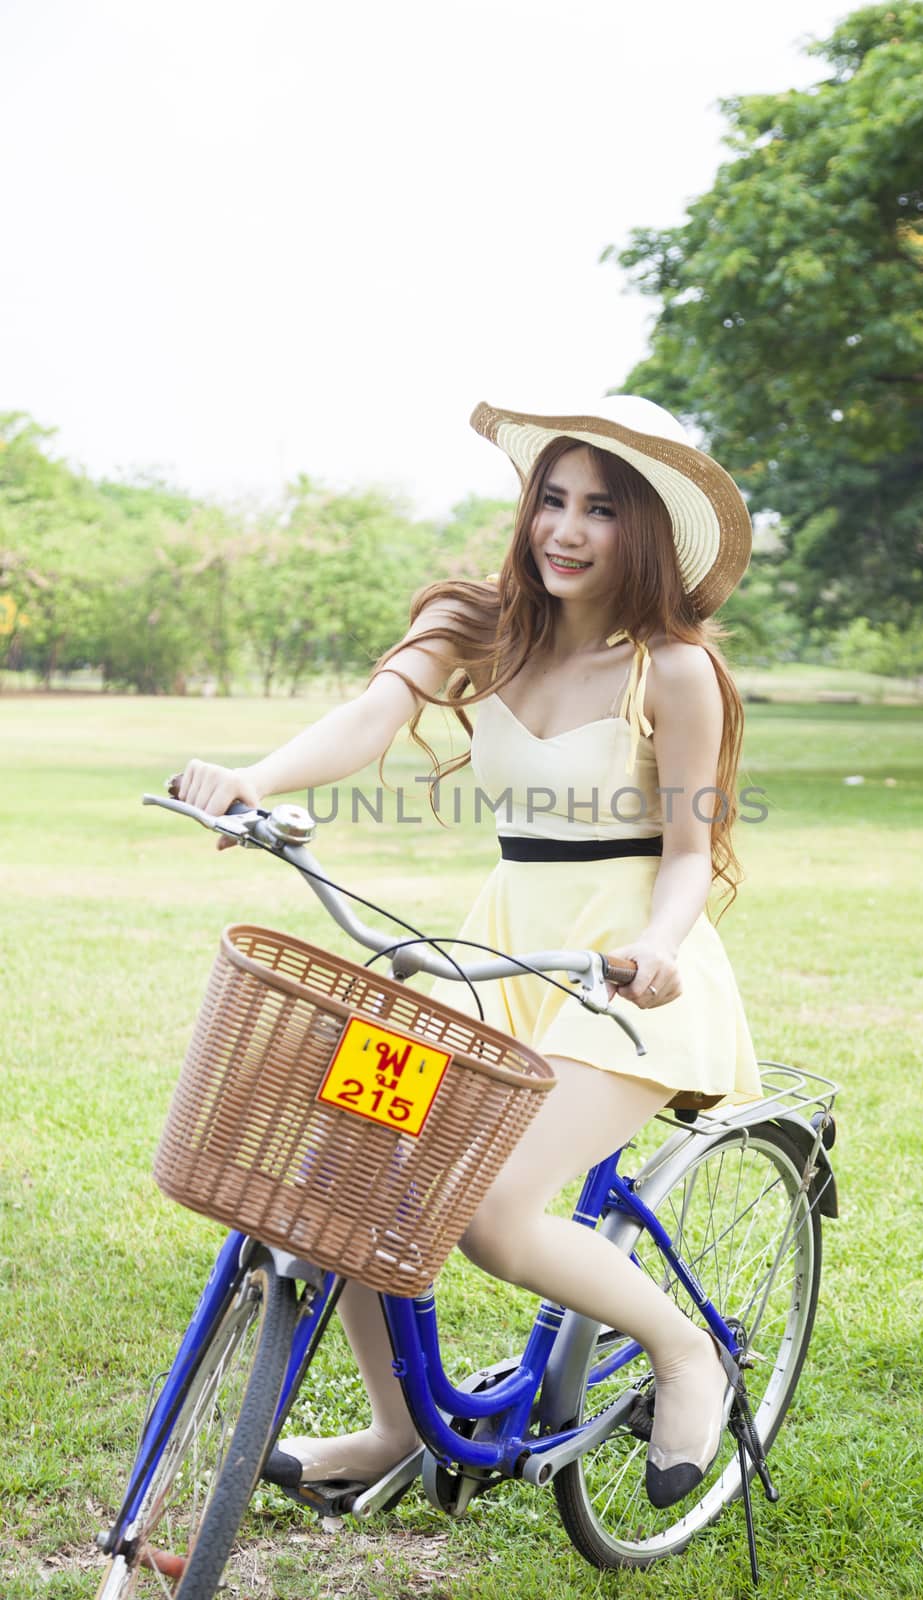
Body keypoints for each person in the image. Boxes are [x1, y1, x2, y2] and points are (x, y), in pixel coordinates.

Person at [173, 394, 763, 1511]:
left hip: (623, 980)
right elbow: (364, 720)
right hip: (488, 957)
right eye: (551, 499)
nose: (565, 529)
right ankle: (396, 1426)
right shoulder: (475, 625)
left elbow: (689, 852)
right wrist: (257, 779)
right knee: (343, 1174)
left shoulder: (672, 669)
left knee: (495, 1215)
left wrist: (658, 941)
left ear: (641, 534)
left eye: (599, 509)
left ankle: (687, 1355)